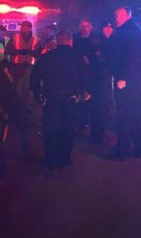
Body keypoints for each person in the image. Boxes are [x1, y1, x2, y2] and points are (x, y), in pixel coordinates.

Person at [29, 30, 91, 171]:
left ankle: (51, 160)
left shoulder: (47, 57)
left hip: (51, 99)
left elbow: (34, 78)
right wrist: (86, 91)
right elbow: (87, 76)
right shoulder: (78, 56)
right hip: (71, 99)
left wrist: (38, 96)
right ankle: (64, 158)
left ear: (57, 41)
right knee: (68, 129)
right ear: (70, 41)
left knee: (50, 129)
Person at [109, 6, 141, 160]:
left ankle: (122, 151)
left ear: (127, 15)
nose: (115, 18)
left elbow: (132, 57)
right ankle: (139, 146)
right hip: (133, 80)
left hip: (128, 81)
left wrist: (123, 78)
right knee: (133, 114)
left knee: (124, 115)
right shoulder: (129, 30)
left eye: (118, 15)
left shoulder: (129, 32)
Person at [5, 20, 42, 151]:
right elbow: (9, 51)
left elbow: (38, 53)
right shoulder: (14, 37)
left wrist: (29, 55)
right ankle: (17, 105)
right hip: (16, 67)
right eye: (23, 26)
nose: (25, 28)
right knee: (15, 87)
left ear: (30, 28)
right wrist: (20, 53)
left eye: (27, 26)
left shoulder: (36, 39)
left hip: (29, 66)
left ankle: (23, 106)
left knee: (26, 88)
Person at [73, 18, 100, 134]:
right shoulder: (75, 38)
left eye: (87, 26)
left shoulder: (96, 39)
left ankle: (89, 120)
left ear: (91, 27)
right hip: (78, 71)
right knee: (78, 95)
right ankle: (80, 120)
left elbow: (98, 54)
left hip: (92, 72)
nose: (84, 28)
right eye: (83, 26)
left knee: (90, 96)